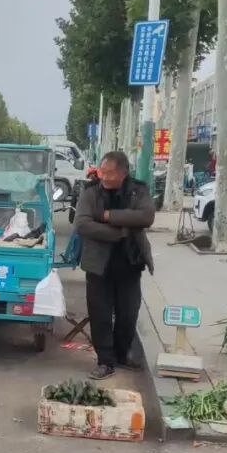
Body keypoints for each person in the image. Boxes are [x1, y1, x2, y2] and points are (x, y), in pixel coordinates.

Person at [74, 151, 155, 380]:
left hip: (130, 263)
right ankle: (105, 361)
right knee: (100, 315)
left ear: (124, 172)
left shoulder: (138, 190)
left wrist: (109, 215)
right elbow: (82, 224)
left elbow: (146, 217)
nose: (105, 177)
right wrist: (119, 233)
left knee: (128, 314)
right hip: (98, 265)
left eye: (111, 173)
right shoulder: (91, 192)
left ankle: (121, 354)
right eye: (103, 172)